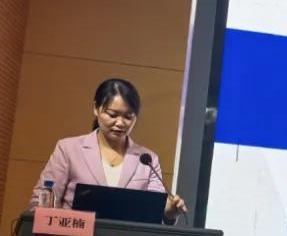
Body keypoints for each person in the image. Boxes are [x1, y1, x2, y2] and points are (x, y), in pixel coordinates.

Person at [29, 78, 188, 222]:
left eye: (128, 117)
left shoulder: (148, 160)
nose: (120, 123)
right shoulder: (68, 149)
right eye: (112, 115)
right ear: (96, 108)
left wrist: (167, 213)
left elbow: (152, 214)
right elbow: (41, 203)